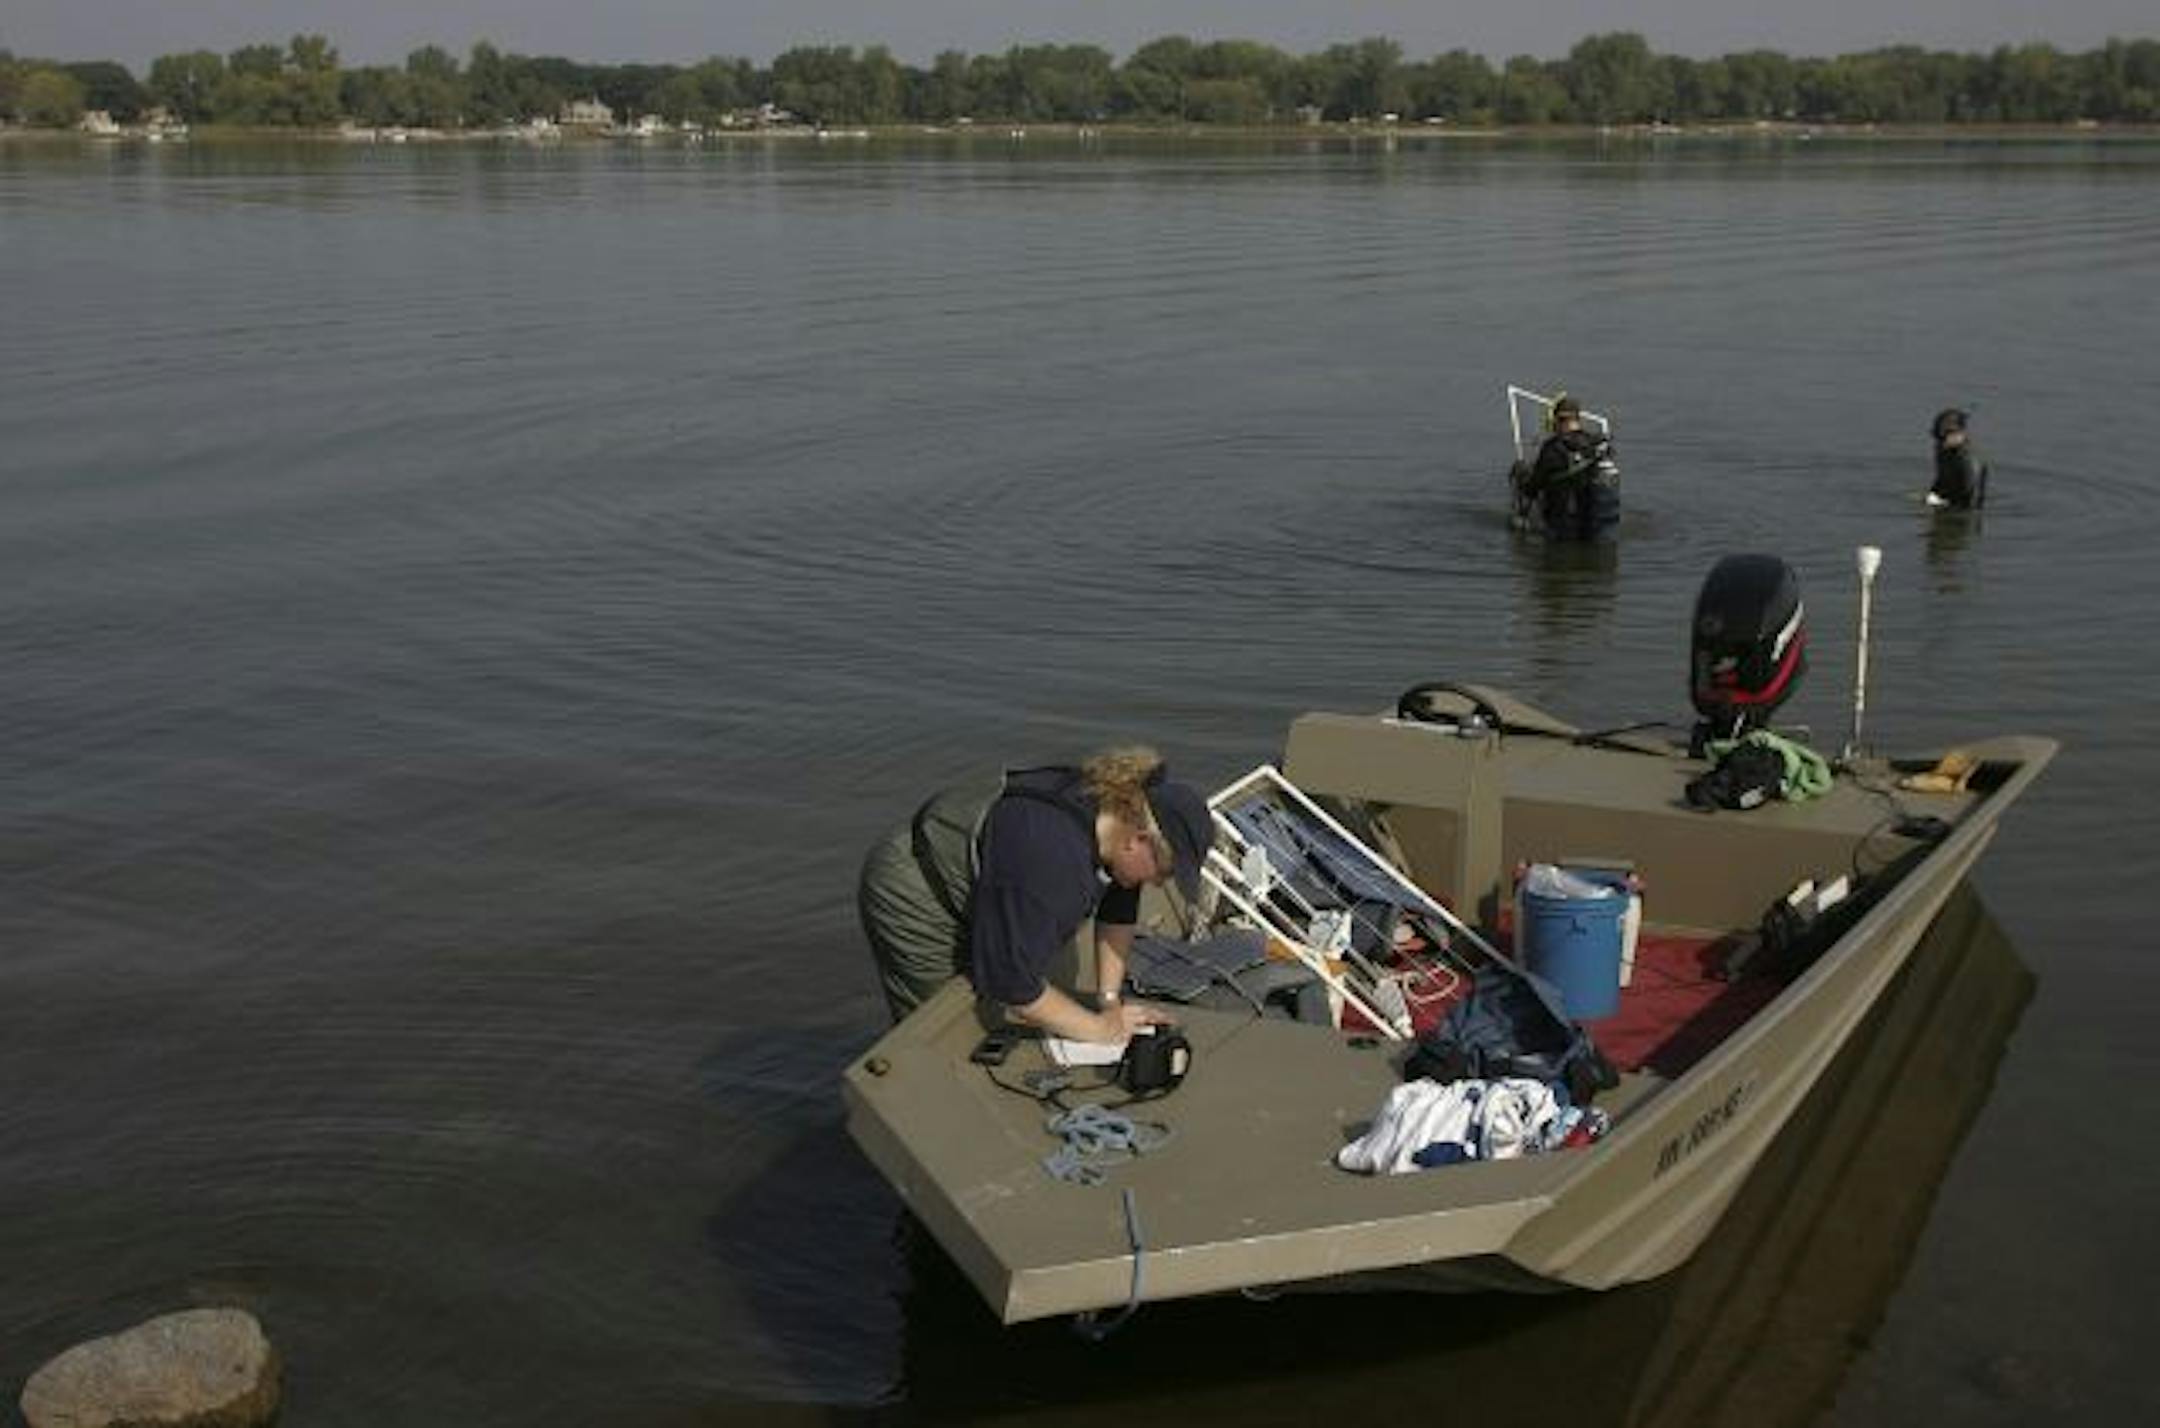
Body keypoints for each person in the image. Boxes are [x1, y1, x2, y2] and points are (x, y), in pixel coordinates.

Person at [857, 746, 1212, 1042]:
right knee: (941, 1028)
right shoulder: (1053, 860)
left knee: (1006, 967)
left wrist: (1109, 1003)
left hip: (1000, 872)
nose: (1160, 884)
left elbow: (1118, 909)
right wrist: (1100, 1031)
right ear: (1139, 841)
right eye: (1163, 872)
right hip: (919, 888)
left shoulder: (1115, 820)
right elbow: (1012, 983)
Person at [1523, 394, 1621, 540]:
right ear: (1578, 419)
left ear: (1557, 420)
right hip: (1594, 528)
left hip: (1562, 529)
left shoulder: (1552, 449)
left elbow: (1533, 487)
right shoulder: (1595, 444)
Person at [1927, 408, 1988, 509]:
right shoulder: (1943, 449)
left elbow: (1973, 496)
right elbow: (1942, 477)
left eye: (1946, 436)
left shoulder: (1970, 459)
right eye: (1937, 437)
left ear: (1961, 433)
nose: (1941, 443)